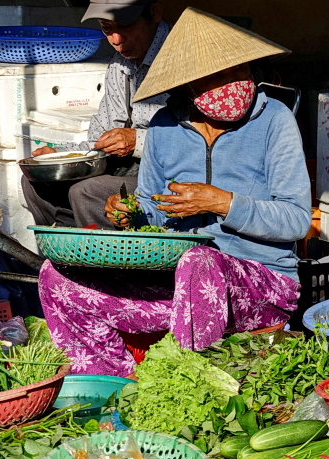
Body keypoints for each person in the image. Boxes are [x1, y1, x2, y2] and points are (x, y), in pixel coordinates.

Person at [38, 9, 310, 377]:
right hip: (176, 281)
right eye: (219, 76)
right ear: (188, 84)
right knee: (57, 277)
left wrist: (223, 203)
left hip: (261, 285)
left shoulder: (275, 120)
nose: (236, 83)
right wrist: (132, 213)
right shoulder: (165, 127)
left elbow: (295, 220)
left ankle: (189, 383)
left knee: (200, 262)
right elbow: (152, 206)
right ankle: (115, 383)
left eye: (241, 70)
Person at [21, 0, 171, 229]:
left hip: (169, 178)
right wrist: (62, 157)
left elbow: (197, 144)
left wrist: (138, 141)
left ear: (155, 11)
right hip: (127, 169)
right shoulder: (120, 64)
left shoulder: (179, 58)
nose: (116, 40)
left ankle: (103, 264)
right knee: (36, 182)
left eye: (126, 26)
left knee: (88, 192)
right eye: (107, 28)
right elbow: (99, 140)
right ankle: (66, 258)